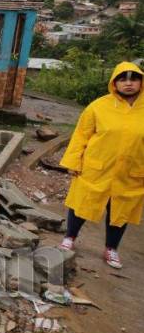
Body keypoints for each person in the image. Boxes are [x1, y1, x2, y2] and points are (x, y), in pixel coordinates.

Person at [58, 61, 144, 269]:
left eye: (134, 78)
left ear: (141, 82)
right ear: (114, 83)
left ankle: (111, 249)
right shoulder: (98, 107)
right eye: (123, 79)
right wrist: (73, 161)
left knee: (120, 212)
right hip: (96, 168)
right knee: (82, 203)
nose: (129, 83)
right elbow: (81, 135)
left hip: (130, 173)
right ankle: (70, 237)